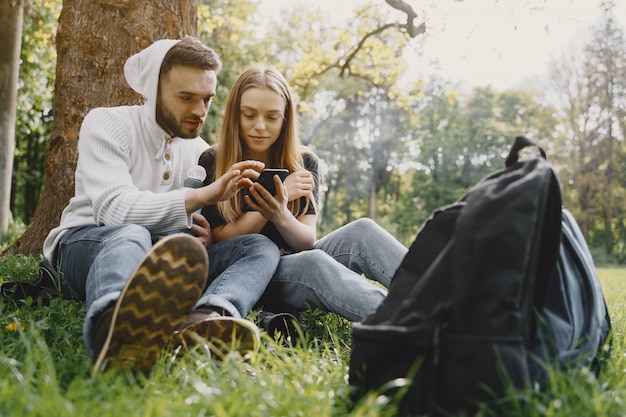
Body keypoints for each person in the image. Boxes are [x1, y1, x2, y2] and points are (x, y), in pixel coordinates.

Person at [42, 38, 280, 374]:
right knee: (130, 234)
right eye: (186, 97)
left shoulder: (199, 149)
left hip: (160, 261)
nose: (199, 110)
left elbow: (188, 222)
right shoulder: (107, 123)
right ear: (153, 90)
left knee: (258, 247)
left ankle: (205, 320)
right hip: (88, 247)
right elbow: (114, 210)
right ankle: (116, 333)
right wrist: (202, 196)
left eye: (206, 99)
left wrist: (203, 234)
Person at [198, 64, 408, 326]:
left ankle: (444, 298)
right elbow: (221, 239)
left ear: (285, 119)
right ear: (235, 115)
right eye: (249, 115)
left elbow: (307, 241)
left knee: (362, 230)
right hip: (251, 272)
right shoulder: (214, 160)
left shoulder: (304, 162)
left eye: (272, 117)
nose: (260, 126)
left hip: (296, 254)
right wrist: (275, 198)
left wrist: (281, 214)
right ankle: (411, 323)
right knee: (313, 262)